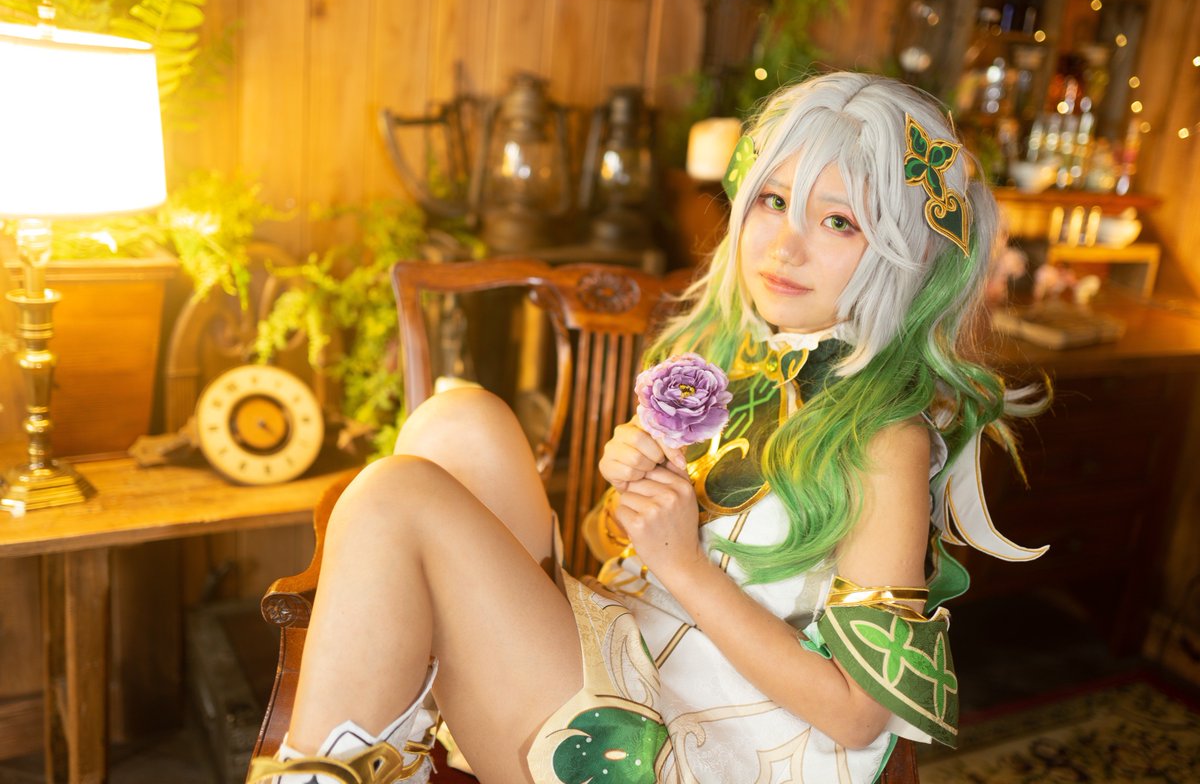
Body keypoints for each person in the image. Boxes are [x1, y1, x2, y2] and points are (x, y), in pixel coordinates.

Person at [246, 71, 1046, 784]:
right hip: (634, 652)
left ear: (908, 255)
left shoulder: (885, 441)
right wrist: (631, 494)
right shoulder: (723, 365)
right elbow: (616, 553)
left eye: (839, 222)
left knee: (394, 495)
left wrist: (685, 563)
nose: (786, 245)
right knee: (460, 422)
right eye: (772, 202)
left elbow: (858, 716)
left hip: (706, 744)